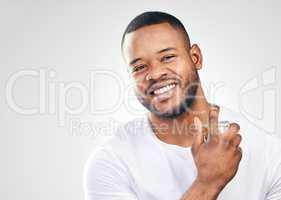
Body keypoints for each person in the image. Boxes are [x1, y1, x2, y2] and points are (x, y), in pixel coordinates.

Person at [84, 11, 281, 200]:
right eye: (139, 67)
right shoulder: (110, 163)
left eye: (167, 57)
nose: (155, 74)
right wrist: (207, 183)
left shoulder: (269, 153)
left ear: (196, 58)